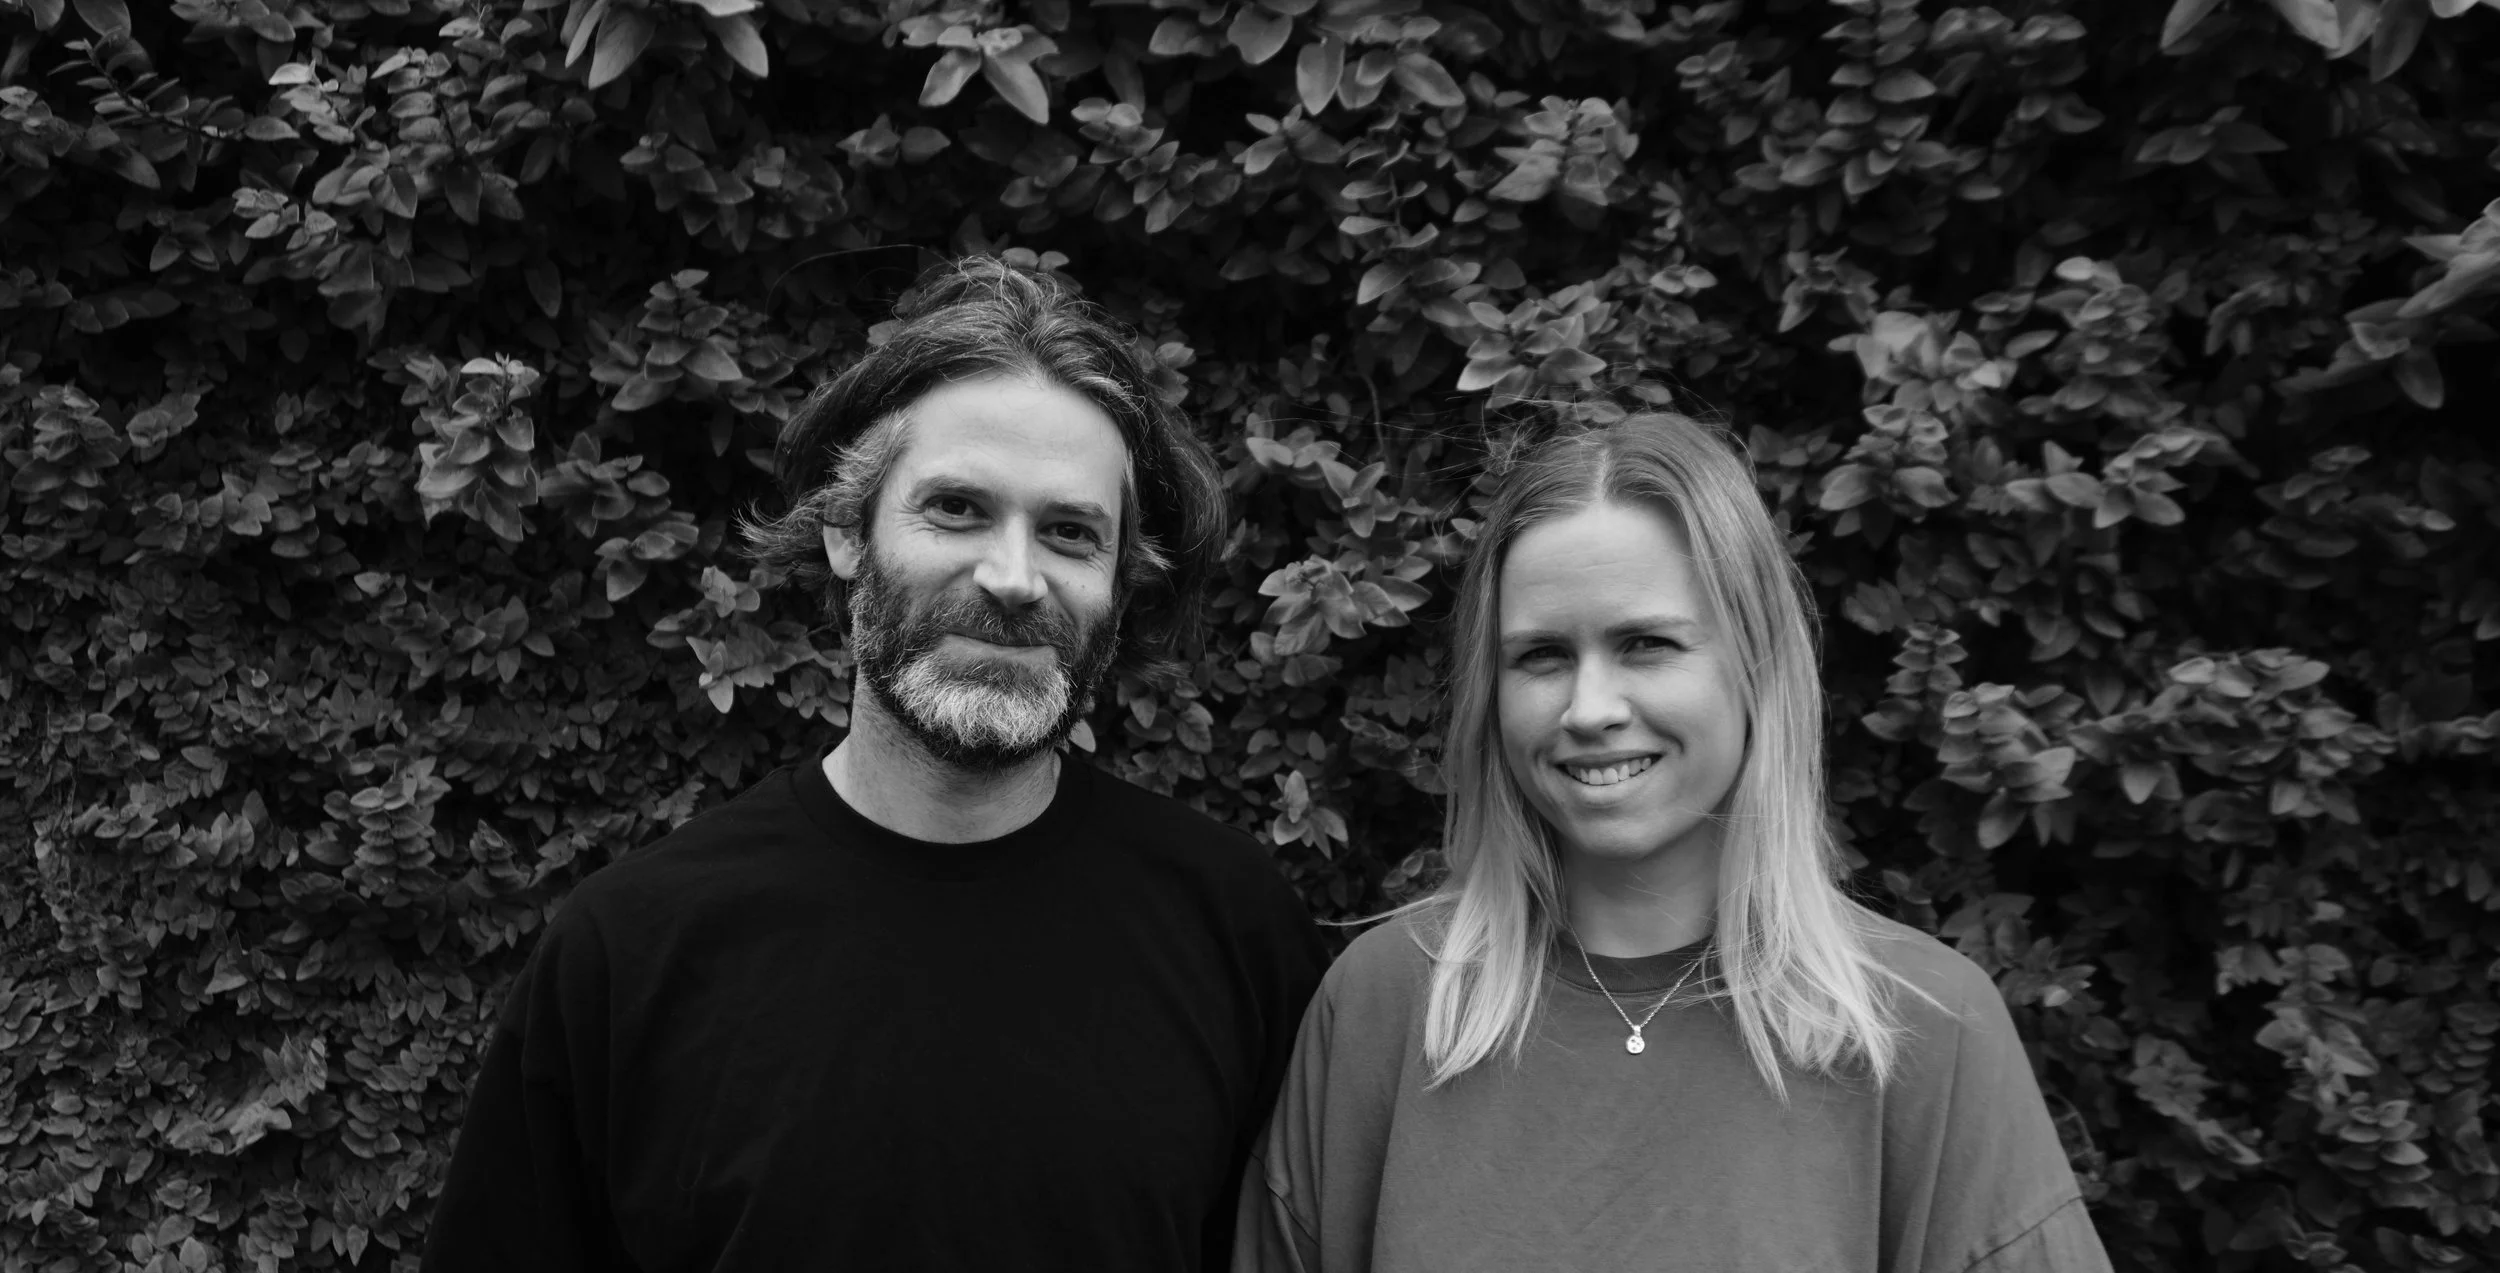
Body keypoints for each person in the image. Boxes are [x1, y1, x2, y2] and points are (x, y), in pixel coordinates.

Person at [423, 257, 1329, 1272]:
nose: (1013, 577)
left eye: (1070, 532)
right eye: (956, 510)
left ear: (1119, 586)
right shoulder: (630, 952)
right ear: (849, 534)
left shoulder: (1234, 931)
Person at [1234, 413, 2112, 1273]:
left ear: (1757, 664)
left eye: (1646, 643)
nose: (1589, 709)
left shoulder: (1917, 1028)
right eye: (1541, 656)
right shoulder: (1387, 1006)